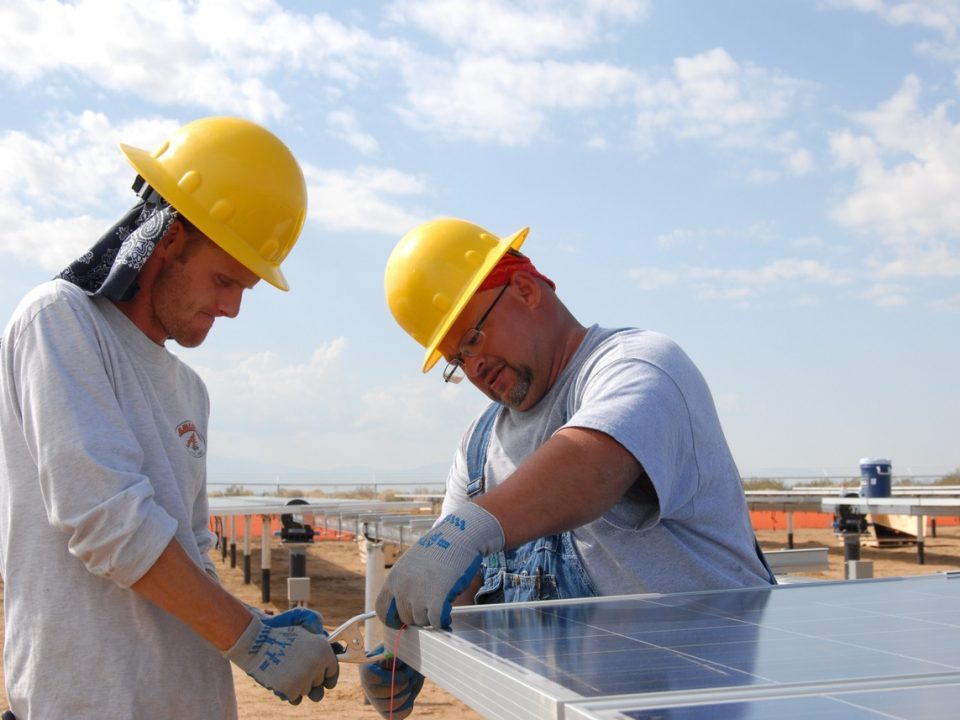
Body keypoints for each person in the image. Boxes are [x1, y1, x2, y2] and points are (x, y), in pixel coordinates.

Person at [361, 217, 776, 717]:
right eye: (455, 361)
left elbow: (592, 466)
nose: (473, 368)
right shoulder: (477, 445)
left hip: (707, 701)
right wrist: (406, 641)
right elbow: (455, 584)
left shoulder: (638, 366)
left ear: (524, 289)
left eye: (471, 338)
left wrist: (469, 529)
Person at [0, 117, 338, 718]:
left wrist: (254, 624)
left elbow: (188, 551)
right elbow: (106, 521)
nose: (233, 308)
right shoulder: (58, 321)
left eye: (247, 288)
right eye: (224, 280)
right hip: (91, 703)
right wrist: (251, 640)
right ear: (169, 238)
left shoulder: (188, 390)